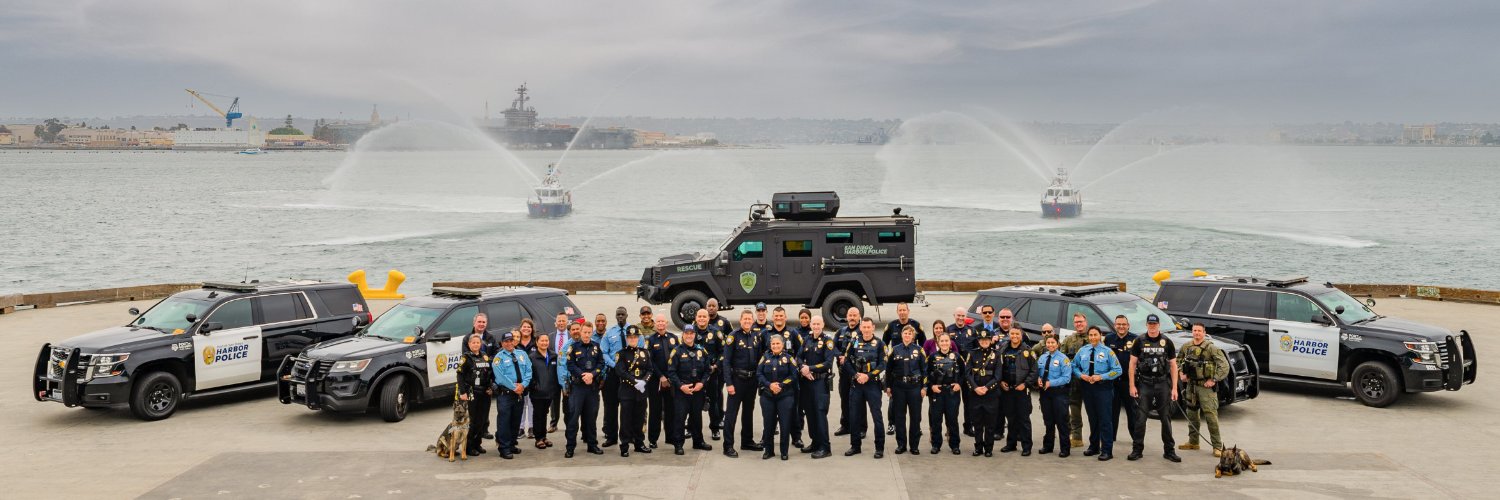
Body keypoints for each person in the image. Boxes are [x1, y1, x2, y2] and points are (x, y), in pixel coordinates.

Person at [1129, 314, 1181, 462]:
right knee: (1141, 419)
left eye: (1155, 324)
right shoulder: (1139, 341)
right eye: (1150, 324)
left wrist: (1175, 389)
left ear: (1159, 325)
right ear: (1147, 325)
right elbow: (1132, 364)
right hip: (1144, 383)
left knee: (1165, 418)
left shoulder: (1167, 342)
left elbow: (1173, 366)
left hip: (1162, 383)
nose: (1152, 327)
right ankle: (1137, 450)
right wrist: (1132, 386)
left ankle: (1169, 451)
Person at [1177, 322, 1230, 457]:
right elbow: (1177, 361)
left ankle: (1217, 446)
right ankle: (1193, 442)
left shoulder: (1211, 348)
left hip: (1206, 388)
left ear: (1204, 332)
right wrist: (1180, 373)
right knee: (1192, 414)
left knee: (1211, 416)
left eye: (1199, 331)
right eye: (1194, 330)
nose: (1196, 333)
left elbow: (1224, 366)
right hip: (1191, 386)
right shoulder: (1186, 346)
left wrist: (1213, 380)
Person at [1075, 326, 1122, 461]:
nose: (1093, 337)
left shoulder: (1108, 352)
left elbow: (1118, 370)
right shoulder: (1083, 351)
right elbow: (1074, 365)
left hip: (1103, 389)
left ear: (1100, 336)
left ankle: (1107, 450)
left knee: (1105, 420)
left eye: (1095, 335)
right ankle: (1094, 446)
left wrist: (1101, 377)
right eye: (1090, 335)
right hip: (1087, 388)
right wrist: (1081, 375)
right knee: (1092, 418)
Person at [843, 318, 888, 459]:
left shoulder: (880, 344)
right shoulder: (854, 341)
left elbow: (883, 364)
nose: (867, 330)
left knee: (877, 417)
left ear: (873, 328)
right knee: (854, 416)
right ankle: (855, 446)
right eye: (864, 327)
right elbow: (846, 362)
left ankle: (879, 448)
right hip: (856, 384)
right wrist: (856, 375)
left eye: (869, 327)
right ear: (860, 328)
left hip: (872, 384)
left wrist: (868, 376)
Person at [721, 310, 764, 457]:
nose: (747, 321)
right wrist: (728, 383)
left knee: (748, 412)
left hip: (751, 380)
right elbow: (726, 362)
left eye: (749, 319)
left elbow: (760, 360)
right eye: (744, 319)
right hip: (737, 380)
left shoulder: (756, 336)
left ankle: (747, 441)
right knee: (731, 414)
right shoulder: (733, 337)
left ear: (752, 321)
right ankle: (728, 446)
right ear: (740, 320)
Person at [667, 324, 714, 455]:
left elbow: (707, 370)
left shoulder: (701, 351)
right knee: (680, 418)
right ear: (682, 335)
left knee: (696, 417)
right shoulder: (676, 351)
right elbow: (671, 372)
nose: (689, 336)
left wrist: (702, 383)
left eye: (691, 333)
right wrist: (681, 386)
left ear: (694, 335)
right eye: (686, 333)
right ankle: (678, 444)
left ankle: (698, 442)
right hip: (682, 391)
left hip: (697, 390)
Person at [761, 306, 803, 449]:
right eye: (776, 316)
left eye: (781, 316)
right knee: (768, 413)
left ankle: (796, 437)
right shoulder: (766, 333)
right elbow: (761, 353)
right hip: (769, 379)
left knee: (793, 410)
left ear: (785, 317)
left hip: (788, 380)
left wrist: (795, 365)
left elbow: (801, 352)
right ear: (772, 318)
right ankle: (766, 437)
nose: (778, 318)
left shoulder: (793, 332)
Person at [1105, 315, 1145, 459]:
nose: (1121, 327)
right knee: (1111, 412)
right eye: (1118, 324)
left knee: (1132, 412)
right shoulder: (1108, 339)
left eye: (1124, 324)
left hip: (1129, 383)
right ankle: (1111, 437)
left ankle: (1136, 440)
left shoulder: (1136, 340)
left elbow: (1141, 359)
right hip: (1113, 382)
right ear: (1115, 326)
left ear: (1128, 326)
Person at [563, 322, 606, 458]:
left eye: (589, 332)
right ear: (580, 332)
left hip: (592, 388)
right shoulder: (573, 347)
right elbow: (570, 365)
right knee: (573, 418)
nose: (587, 335)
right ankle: (570, 447)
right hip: (578, 388)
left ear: (591, 333)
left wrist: (592, 374)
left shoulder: (596, 347)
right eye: (584, 332)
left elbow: (601, 363)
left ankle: (592, 445)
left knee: (591, 418)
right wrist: (583, 375)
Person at [796, 315, 835, 459]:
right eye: (814, 324)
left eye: (819, 324)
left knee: (819, 413)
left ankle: (825, 447)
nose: (816, 326)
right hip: (806, 382)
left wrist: (809, 368)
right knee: (810, 413)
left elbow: (828, 363)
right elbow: (798, 357)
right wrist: (802, 368)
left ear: (823, 324)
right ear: (811, 325)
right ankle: (815, 442)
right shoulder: (806, 339)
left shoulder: (828, 341)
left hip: (820, 383)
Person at [758, 334, 800, 460]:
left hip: (785, 396)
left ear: (783, 345)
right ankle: (768, 450)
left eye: (778, 344)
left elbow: (794, 376)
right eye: (773, 344)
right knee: (768, 423)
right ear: (770, 345)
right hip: (767, 395)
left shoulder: (789, 358)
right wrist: (769, 385)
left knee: (785, 424)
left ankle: (784, 451)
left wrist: (781, 385)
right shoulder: (765, 357)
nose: (775, 346)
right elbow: (759, 374)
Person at [886, 325, 925, 455]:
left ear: (913, 336)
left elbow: (925, 371)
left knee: (915, 417)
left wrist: (924, 387)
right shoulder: (894, 350)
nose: (907, 335)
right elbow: (888, 370)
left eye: (909, 333)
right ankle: (901, 445)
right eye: (905, 333)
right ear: (902, 335)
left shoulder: (919, 350)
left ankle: (914, 445)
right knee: (899, 417)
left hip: (914, 388)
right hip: (899, 387)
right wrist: (888, 386)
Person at [614, 327, 653, 457]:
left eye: (635, 337)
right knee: (625, 420)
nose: (632, 339)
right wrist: (635, 382)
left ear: (638, 338)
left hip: (641, 391)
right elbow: (620, 371)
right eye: (630, 337)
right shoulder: (622, 354)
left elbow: (650, 370)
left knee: (639, 419)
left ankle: (639, 443)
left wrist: (644, 382)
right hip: (627, 392)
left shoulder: (645, 352)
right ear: (627, 339)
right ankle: (624, 445)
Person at [493, 331, 532, 460]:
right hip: (506, 394)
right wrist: (515, 387)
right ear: (502, 343)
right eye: (506, 341)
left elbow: (529, 370)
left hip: (519, 393)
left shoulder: (522, 354)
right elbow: (500, 377)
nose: (509, 343)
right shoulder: (499, 358)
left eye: (511, 340)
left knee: (516, 420)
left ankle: (511, 444)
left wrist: (523, 385)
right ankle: (503, 448)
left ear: (514, 341)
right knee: (504, 421)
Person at [998, 328, 1037, 455]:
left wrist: (1025, 384)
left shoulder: (1027, 350)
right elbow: (998, 367)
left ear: (1021, 335)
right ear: (1009, 335)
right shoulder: (1003, 348)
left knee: (1023, 419)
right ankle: (1011, 444)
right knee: (1011, 418)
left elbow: (1034, 371)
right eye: (1012, 333)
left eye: (1017, 334)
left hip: (1022, 390)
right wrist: (1000, 381)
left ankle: (1027, 446)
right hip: (1008, 389)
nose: (1014, 336)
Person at [455, 331, 495, 456]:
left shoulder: (485, 356)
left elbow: (489, 373)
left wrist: (490, 387)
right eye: (473, 343)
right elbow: (460, 375)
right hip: (471, 392)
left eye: (478, 342)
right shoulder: (465, 358)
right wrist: (462, 392)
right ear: (469, 344)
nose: (476, 345)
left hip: (484, 392)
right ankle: (468, 447)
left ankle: (478, 444)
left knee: (481, 420)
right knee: (471, 421)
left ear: (481, 344)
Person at [600, 306, 634, 448]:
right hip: (613, 373)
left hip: (629, 373)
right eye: (618, 315)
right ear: (615, 316)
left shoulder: (633, 331)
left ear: (627, 315)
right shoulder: (610, 333)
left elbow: (639, 350)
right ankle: (611, 436)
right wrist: (614, 365)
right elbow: (604, 352)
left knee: (628, 407)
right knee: (611, 407)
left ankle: (629, 435)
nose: (620, 317)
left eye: (622, 314)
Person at [925, 331, 963, 455]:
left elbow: (965, 373)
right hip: (937, 392)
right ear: (938, 342)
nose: (945, 343)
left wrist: (959, 384)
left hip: (952, 392)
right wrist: (932, 386)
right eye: (942, 341)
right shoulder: (932, 357)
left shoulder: (957, 356)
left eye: (947, 341)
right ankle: (936, 444)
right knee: (936, 420)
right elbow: (927, 374)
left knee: (952, 420)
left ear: (950, 343)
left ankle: (955, 445)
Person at [1036, 334, 1073, 457]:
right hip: (1045, 393)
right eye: (1048, 343)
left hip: (1059, 393)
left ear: (1058, 344)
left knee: (1062, 421)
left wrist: (1051, 383)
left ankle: (1065, 448)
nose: (1050, 345)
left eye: (1053, 343)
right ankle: (1048, 446)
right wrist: (1039, 379)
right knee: (1048, 421)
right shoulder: (1042, 357)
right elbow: (1038, 372)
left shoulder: (1064, 359)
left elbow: (1067, 378)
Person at [645, 314, 679, 449]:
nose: (660, 324)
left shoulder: (673, 338)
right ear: (655, 324)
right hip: (656, 381)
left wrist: (671, 376)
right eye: (658, 321)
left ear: (666, 323)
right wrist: (661, 377)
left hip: (671, 380)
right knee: (655, 410)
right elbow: (650, 361)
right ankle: (653, 439)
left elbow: (676, 358)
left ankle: (670, 437)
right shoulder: (650, 340)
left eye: (662, 321)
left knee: (671, 409)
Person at [966, 333, 1001, 457]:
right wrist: (975, 388)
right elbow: (968, 374)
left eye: (987, 340)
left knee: (990, 424)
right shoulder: (972, 353)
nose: (984, 342)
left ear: (991, 341)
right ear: (979, 341)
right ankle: (978, 447)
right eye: (982, 340)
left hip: (990, 394)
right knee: (977, 423)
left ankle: (989, 448)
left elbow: (998, 376)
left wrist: (986, 388)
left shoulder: (997, 355)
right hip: (975, 394)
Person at [695, 308, 727, 441]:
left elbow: (724, 352)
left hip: (712, 373)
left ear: (708, 318)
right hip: (695, 374)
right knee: (694, 402)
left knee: (713, 401)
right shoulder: (690, 332)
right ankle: (692, 428)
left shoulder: (716, 332)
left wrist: (716, 366)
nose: (702, 319)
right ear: (696, 318)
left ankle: (714, 428)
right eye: (700, 316)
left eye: (704, 317)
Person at [946, 307, 979, 438]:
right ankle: (950, 427)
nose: (960, 318)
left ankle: (968, 426)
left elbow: (977, 349)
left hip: (968, 371)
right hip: (953, 372)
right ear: (954, 315)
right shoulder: (948, 330)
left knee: (969, 400)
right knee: (952, 402)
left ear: (966, 317)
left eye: (963, 316)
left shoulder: (972, 331)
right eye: (958, 315)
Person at [466, 313, 498, 441]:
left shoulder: (490, 338)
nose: (481, 324)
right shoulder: (467, 338)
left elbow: (495, 354)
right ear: (474, 323)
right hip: (472, 382)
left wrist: (486, 361)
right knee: (474, 412)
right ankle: (471, 437)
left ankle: (484, 430)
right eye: (479, 322)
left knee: (485, 408)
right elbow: (466, 357)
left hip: (486, 378)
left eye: (484, 322)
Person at [1060, 313, 1091, 448]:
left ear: (1086, 322)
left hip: (1091, 380)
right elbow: (1061, 359)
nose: (1079, 324)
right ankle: (1076, 436)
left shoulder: (1094, 337)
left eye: (1081, 321)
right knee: (1074, 408)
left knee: (1094, 409)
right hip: (1074, 380)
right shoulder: (1068, 340)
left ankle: (1097, 437)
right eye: (1076, 322)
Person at [833, 307, 861, 437]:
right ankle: (845, 425)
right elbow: (832, 347)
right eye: (850, 315)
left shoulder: (862, 331)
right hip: (843, 373)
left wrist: (848, 358)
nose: (852, 318)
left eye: (855, 315)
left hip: (857, 372)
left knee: (859, 400)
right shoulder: (841, 331)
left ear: (859, 316)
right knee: (844, 399)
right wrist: (839, 356)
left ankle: (861, 427)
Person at [529, 333, 560, 450]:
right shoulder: (532, 357)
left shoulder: (553, 356)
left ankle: (544, 436)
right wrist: (534, 385)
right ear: (537, 342)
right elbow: (529, 374)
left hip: (550, 391)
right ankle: (538, 439)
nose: (544, 343)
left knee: (544, 413)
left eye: (546, 340)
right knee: (538, 414)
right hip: (537, 392)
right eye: (542, 341)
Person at [516, 319, 537, 440]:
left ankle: (532, 427)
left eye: (529, 327)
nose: (526, 329)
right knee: (522, 404)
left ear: (532, 329)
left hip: (533, 378)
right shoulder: (516, 343)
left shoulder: (535, 342)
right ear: (520, 328)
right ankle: (521, 427)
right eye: (524, 327)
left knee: (532, 404)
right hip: (519, 379)